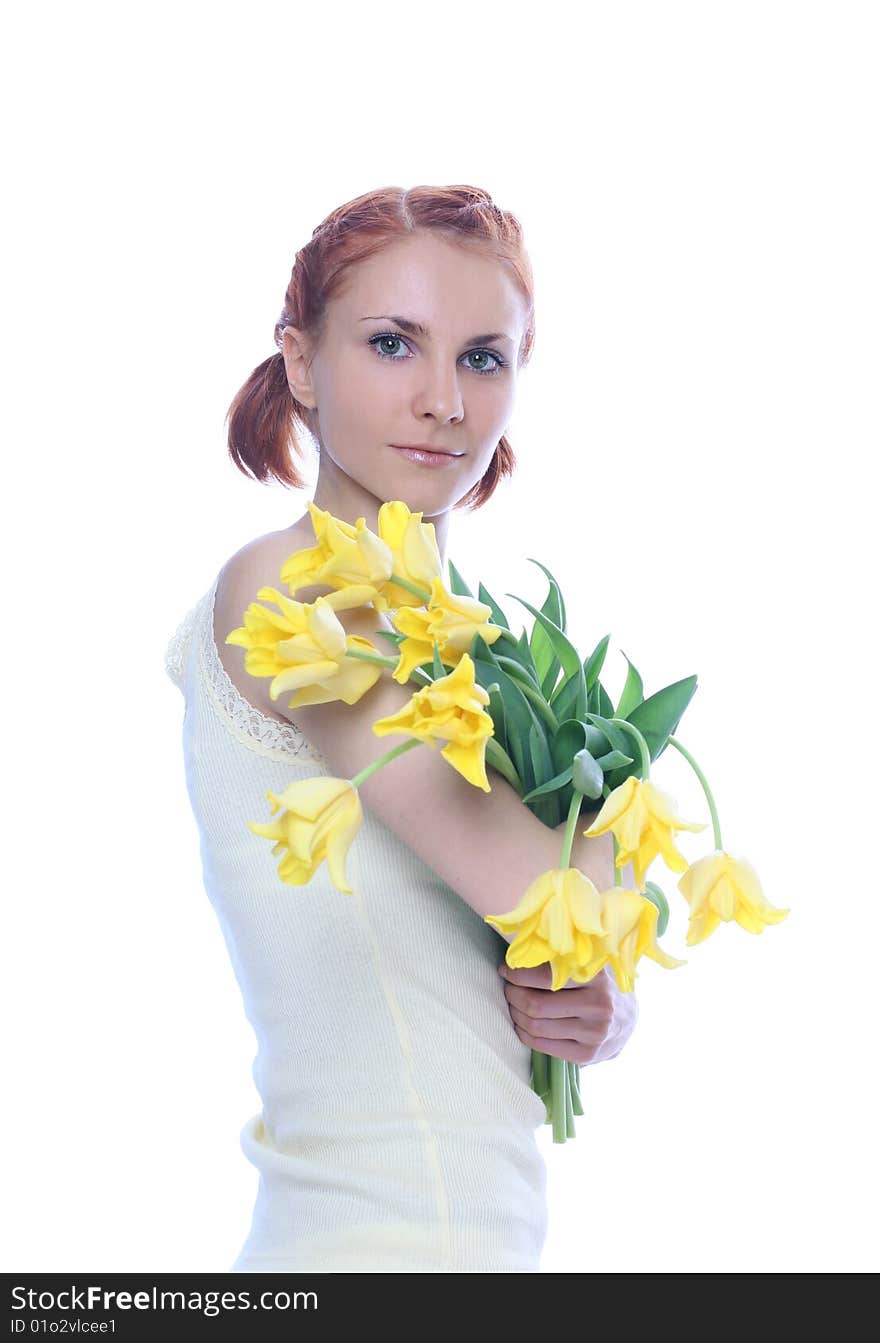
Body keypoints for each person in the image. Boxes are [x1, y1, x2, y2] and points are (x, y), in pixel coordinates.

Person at [164, 183, 638, 1273]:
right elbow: (542, 893)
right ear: (297, 362)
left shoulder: (458, 636)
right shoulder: (301, 589)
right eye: (391, 344)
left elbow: (551, 934)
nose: (443, 401)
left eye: (483, 357)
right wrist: (600, 859)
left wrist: (599, 1015)